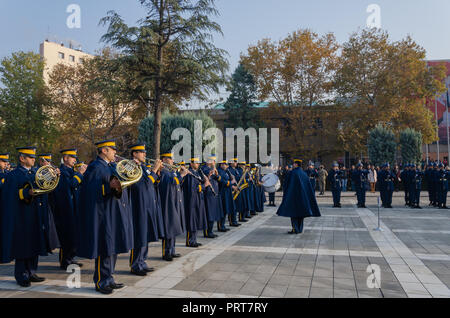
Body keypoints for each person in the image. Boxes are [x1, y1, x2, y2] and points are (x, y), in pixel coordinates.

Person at [76, 140, 129, 294]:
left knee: (112, 247)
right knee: (104, 247)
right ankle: (101, 281)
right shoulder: (95, 167)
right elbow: (91, 191)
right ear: (104, 150)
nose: (115, 152)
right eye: (113, 150)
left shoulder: (109, 166)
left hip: (111, 211)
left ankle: (109, 278)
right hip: (102, 214)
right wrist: (108, 187)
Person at [0, 147, 50, 287]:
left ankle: (31, 272)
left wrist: (52, 174)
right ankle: (21, 275)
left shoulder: (35, 172)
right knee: (23, 245)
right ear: (22, 158)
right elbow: (9, 196)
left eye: (33, 157)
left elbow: (46, 186)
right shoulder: (13, 175)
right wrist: (25, 193)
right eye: (30, 157)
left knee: (34, 242)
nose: (33, 159)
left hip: (35, 213)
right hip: (21, 215)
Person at [128, 143, 164, 275]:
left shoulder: (143, 167)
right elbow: (141, 187)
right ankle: (135, 265)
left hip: (148, 204)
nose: (145, 154)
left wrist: (157, 172)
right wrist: (154, 171)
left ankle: (142, 262)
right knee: (140, 235)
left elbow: (151, 184)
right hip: (138, 206)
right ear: (134, 154)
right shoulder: (130, 166)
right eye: (142, 152)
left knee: (146, 234)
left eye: (144, 152)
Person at [50, 149, 86, 270]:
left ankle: (70, 258)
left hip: (74, 207)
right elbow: (70, 185)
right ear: (65, 158)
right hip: (65, 210)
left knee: (73, 236)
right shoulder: (61, 172)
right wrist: (80, 174)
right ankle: (65, 261)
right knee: (66, 237)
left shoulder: (70, 171)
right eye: (72, 157)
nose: (75, 159)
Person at [277, 159, 321, 234]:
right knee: (301, 214)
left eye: (294, 163)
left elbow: (286, 184)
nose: (293, 165)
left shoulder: (292, 173)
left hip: (293, 197)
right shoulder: (304, 173)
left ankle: (295, 229)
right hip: (302, 198)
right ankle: (300, 229)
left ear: (296, 164)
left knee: (293, 214)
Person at [159, 152, 188, 261]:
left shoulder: (171, 171)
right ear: (165, 159)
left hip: (175, 201)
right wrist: (181, 175)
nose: (172, 161)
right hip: (168, 202)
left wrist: (180, 175)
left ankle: (172, 250)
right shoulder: (164, 171)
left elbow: (177, 183)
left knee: (174, 227)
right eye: (170, 159)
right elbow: (171, 182)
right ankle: (166, 252)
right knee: (169, 228)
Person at [183, 158, 209, 248]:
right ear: (191, 163)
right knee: (192, 220)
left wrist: (206, 178)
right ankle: (190, 241)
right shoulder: (189, 173)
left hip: (197, 199)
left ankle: (194, 239)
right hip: (192, 200)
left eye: (198, 163)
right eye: (196, 162)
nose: (198, 164)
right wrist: (204, 186)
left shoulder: (196, 173)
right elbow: (193, 189)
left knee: (196, 219)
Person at [201, 156, 224, 238]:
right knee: (209, 213)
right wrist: (214, 167)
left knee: (213, 213)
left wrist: (217, 175)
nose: (214, 162)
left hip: (214, 193)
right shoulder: (204, 168)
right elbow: (211, 174)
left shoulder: (211, 168)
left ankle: (210, 231)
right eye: (212, 161)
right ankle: (207, 232)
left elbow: (219, 178)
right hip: (208, 193)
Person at [217, 160, 236, 231]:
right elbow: (222, 181)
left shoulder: (225, 171)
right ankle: (220, 226)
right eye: (225, 164)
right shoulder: (219, 171)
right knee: (222, 209)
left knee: (225, 209)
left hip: (227, 192)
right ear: (221, 164)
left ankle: (223, 225)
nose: (226, 166)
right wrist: (231, 182)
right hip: (222, 193)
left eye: (227, 164)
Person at [227, 159, 243, 226]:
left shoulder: (236, 170)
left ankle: (234, 220)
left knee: (236, 206)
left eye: (236, 162)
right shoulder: (229, 170)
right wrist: (233, 187)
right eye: (234, 161)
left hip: (237, 189)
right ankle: (231, 221)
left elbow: (239, 179)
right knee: (232, 206)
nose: (236, 163)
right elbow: (227, 180)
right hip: (232, 190)